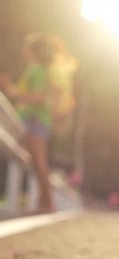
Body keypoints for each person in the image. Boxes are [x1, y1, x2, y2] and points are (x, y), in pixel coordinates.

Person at [0, 33, 76, 214]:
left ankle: (48, 204)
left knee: (39, 162)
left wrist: (14, 93)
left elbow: (41, 97)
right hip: (36, 119)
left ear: (33, 51)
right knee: (34, 162)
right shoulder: (41, 70)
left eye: (26, 47)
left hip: (35, 120)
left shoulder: (37, 69)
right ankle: (45, 203)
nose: (23, 50)